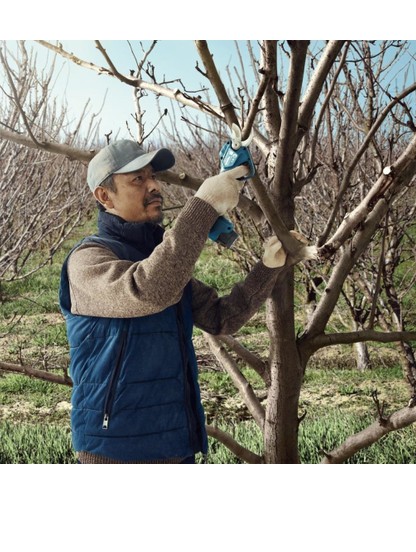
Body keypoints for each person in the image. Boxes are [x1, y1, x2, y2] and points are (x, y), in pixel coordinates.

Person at [59, 139, 295, 464]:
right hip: (115, 447)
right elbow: (149, 289)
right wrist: (203, 207)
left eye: (153, 176)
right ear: (104, 196)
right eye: (138, 179)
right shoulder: (88, 261)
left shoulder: (159, 260)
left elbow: (221, 318)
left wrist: (268, 268)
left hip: (176, 441)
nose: (154, 185)